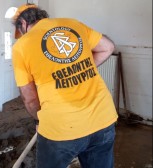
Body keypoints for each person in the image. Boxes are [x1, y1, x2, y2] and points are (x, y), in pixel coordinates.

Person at [12, 3, 118, 168]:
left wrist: (39, 118)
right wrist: (79, 71)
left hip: (61, 128)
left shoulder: (21, 46)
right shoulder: (72, 24)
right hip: (103, 119)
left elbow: (30, 99)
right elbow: (108, 47)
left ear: (23, 23)